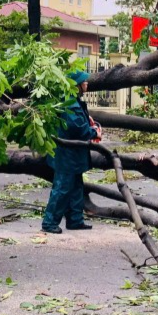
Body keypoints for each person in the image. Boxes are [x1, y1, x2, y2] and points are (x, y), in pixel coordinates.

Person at [42, 71, 101, 234]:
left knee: (76, 187)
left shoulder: (73, 101)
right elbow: (78, 130)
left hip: (72, 154)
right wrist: (94, 132)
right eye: (84, 82)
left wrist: (91, 127)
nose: (87, 84)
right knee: (62, 188)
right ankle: (49, 222)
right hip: (66, 155)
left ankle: (75, 220)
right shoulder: (70, 104)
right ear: (76, 86)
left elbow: (81, 125)